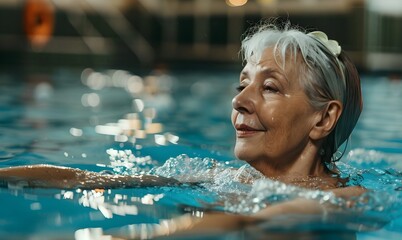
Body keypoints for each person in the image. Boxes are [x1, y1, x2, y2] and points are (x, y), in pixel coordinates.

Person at [0, 21, 364, 235]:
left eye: (269, 87)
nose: (239, 101)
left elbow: (256, 219)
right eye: (242, 85)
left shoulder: (348, 199)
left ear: (324, 119)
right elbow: (89, 179)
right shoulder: (223, 176)